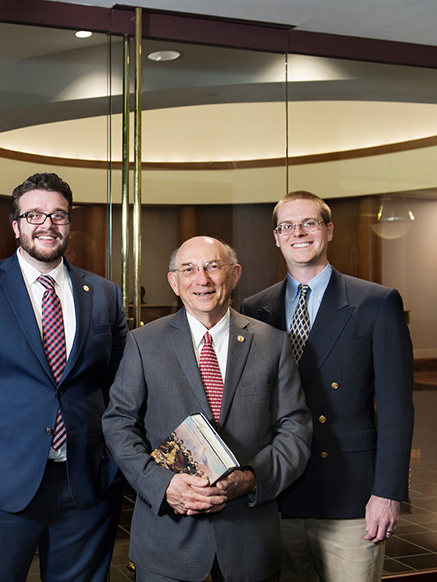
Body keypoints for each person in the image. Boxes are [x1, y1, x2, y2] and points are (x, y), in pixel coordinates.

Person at [0, 172, 128, 582]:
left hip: (85, 486)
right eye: (34, 215)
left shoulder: (105, 293)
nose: (47, 225)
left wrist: (114, 464)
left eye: (58, 215)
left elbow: (121, 384)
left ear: (69, 224)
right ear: (16, 225)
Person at [102, 236, 312, 582]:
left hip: (249, 538)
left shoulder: (272, 343)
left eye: (214, 266)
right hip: (168, 538)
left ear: (234, 275)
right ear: (174, 281)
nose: (202, 279)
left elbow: (296, 428)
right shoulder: (143, 343)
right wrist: (162, 485)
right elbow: (118, 424)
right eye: (189, 269)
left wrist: (252, 478)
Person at [240, 191, 415, 582]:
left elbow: (396, 407)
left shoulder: (376, 302)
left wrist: (387, 493)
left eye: (310, 223)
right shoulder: (255, 309)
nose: (298, 232)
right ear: (276, 237)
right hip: (279, 494)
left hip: (351, 496)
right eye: (288, 226)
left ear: (329, 230)